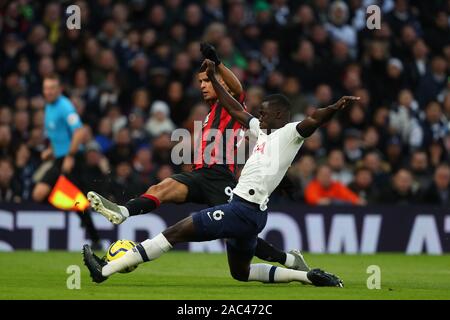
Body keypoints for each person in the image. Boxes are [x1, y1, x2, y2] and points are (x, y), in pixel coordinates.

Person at [82, 59, 355, 287]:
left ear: (280, 114)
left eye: (264, 112)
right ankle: (306, 276)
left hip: (243, 209)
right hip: (249, 211)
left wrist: (334, 108)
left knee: (173, 233)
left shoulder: (290, 133)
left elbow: (314, 119)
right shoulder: (262, 131)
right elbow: (234, 107)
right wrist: (213, 76)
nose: (258, 116)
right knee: (241, 273)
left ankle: (104, 271)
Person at [31, 74, 101, 249]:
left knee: (74, 201)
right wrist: (51, 151)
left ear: (59, 89)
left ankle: (96, 239)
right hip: (59, 157)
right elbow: (60, 136)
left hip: (72, 159)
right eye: (46, 88)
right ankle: (95, 238)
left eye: (52, 88)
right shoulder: (49, 106)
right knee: (77, 203)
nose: (49, 91)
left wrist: (69, 156)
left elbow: (79, 132)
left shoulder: (64, 106)